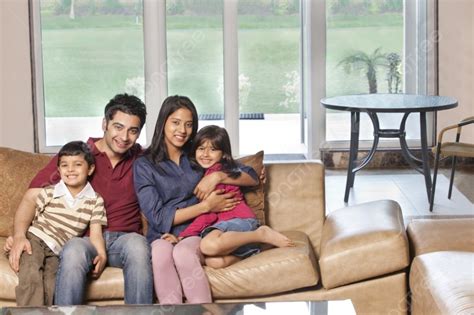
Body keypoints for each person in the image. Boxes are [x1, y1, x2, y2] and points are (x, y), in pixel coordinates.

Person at [5, 94, 154, 305]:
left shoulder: (141, 159)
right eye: (118, 127)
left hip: (125, 240)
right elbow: (32, 197)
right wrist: (19, 235)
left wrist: (216, 176)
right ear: (105, 124)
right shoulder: (79, 157)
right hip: (85, 240)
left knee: (139, 246)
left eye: (133, 131)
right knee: (73, 251)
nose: (124, 137)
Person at [133, 95, 259, 305]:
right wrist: (206, 206)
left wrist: (217, 176)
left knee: (183, 254)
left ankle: (204, 311)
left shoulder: (198, 154)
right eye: (176, 122)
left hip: (198, 231)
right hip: (162, 233)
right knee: (161, 254)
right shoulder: (144, 164)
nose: (182, 130)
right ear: (163, 122)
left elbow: (250, 176)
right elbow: (157, 217)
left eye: (189, 125)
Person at [178, 125, 293, 268]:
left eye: (213, 149)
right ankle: (258, 247)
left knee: (208, 245)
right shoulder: (208, 173)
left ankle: (261, 234)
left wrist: (183, 235)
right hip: (230, 229)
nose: (206, 154)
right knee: (214, 261)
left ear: (223, 153)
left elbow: (208, 215)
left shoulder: (217, 174)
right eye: (201, 148)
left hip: (241, 221)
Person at [9, 141, 107, 306]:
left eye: (77, 164)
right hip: (35, 240)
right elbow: (27, 201)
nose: (70, 170)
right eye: (64, 165)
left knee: (52, 285)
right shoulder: (51, 191)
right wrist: (19, 236)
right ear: (59, 169)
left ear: (90, 169)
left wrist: (102, 255)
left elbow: (96, 234)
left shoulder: (95, 200)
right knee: (31, 275)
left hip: (58, 251)